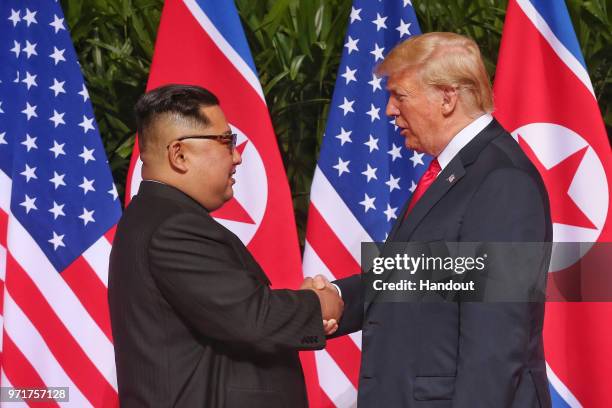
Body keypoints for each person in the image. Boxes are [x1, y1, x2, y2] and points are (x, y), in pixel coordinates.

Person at [306, 32, 552, 407]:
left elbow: (495, 344)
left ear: (448, 97)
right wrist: (336, 297)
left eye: (400, 96)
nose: (389, 110)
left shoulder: (502, 181)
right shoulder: (450, 173)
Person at [108, 84, 342, 408]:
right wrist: (319, 306)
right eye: (226, 141)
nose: (237, 155)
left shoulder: (157, 217)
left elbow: (237, 314)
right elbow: (254, 320)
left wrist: (337, 297)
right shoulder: (172, 227)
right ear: (179, 154)